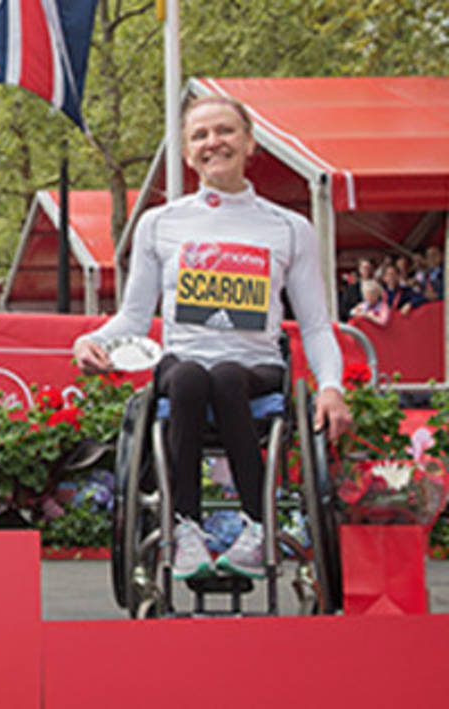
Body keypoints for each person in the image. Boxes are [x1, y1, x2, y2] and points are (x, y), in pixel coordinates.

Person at [71, 96, 352, 581]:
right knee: (191, 376)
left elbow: (314, 325)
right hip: (184, 372)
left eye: (224, 131)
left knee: (222, 376)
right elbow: (134, 318)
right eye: (199, 135)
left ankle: (256, 526)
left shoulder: (289, 227)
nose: (212, 142)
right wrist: (89, 341)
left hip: (255, 371)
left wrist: (331, 387)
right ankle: (185, 528)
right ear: (186, 153)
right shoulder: (160, 224)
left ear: (248, 143)